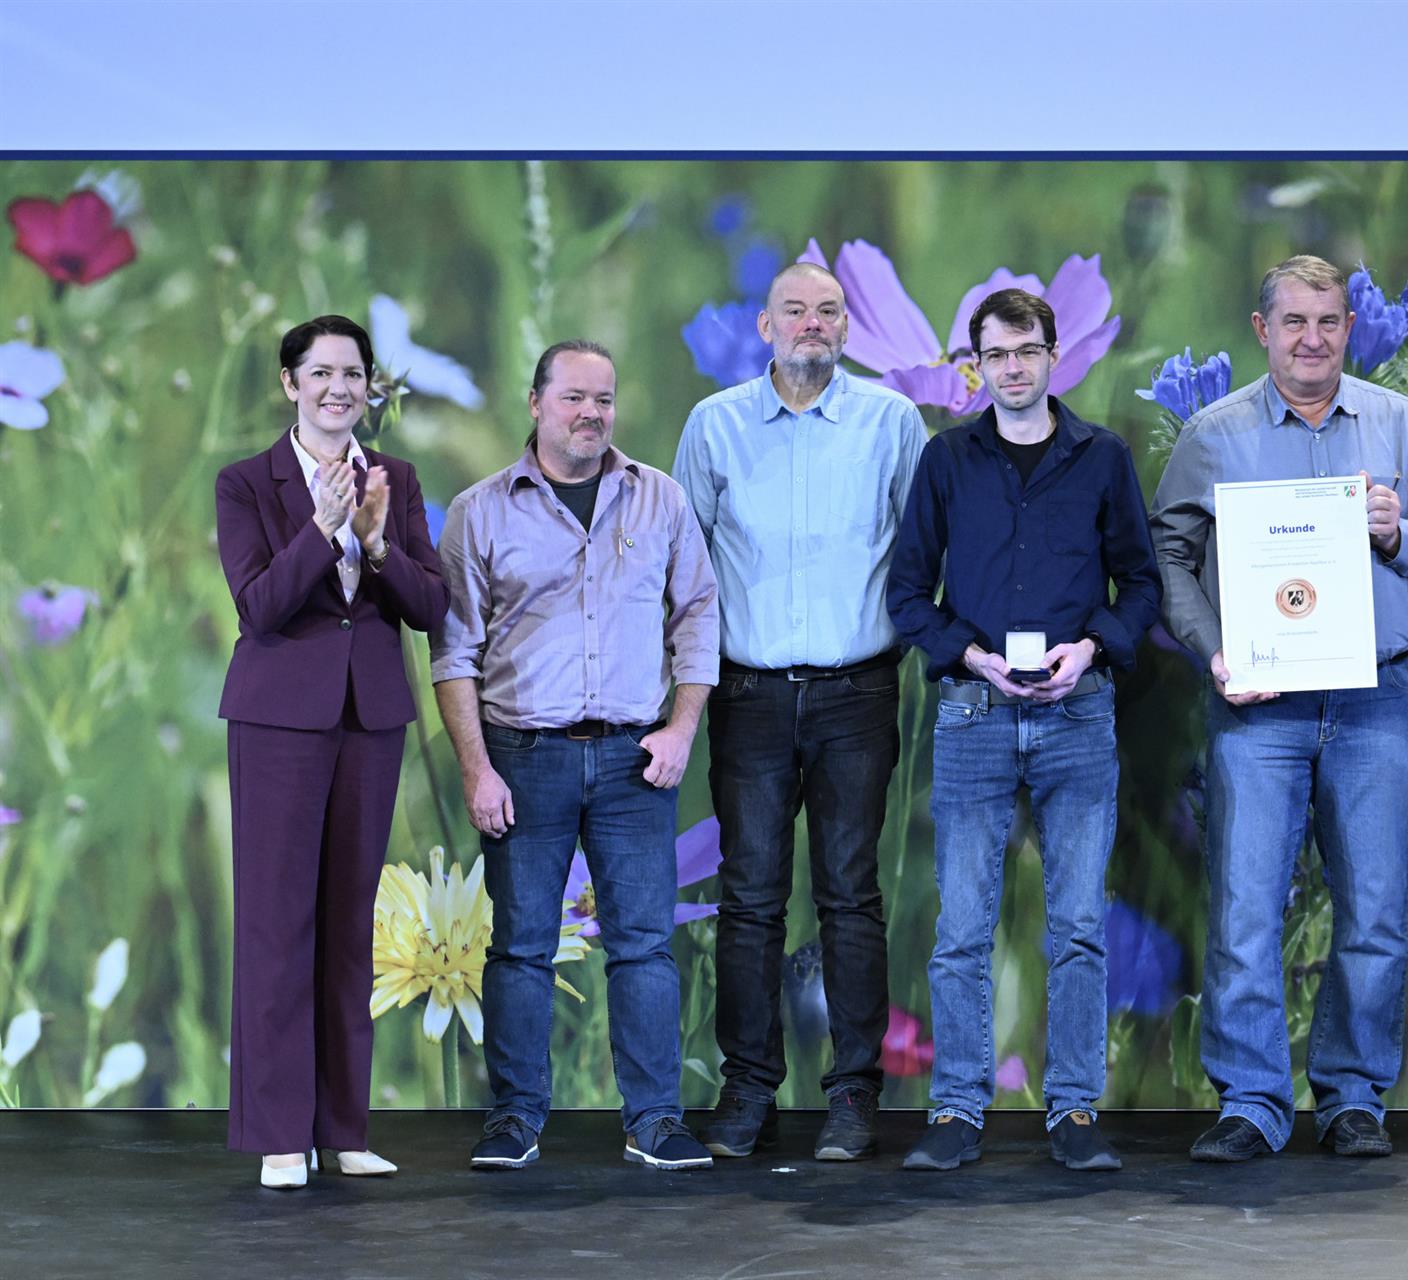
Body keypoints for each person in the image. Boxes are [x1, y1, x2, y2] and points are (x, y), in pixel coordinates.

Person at [1150, 254, 1408, 1162]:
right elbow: (1167, 556)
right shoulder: (1213, 434)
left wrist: (1400, 534)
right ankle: (1252, 1103)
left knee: (1373, 910)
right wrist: (1212, 649)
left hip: (1374, 701)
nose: (1312, 338)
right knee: (1246, 908)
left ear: (1348, 327)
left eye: (1328, 321)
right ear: (1263, 331)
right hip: (1258, 705)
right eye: (1293, 321)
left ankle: (1352, 1098)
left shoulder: (1399, 422)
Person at [886, 289, 1161, 1172]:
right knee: (963, 927)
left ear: (1053, 356)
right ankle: (958, 1110)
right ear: (977, 366)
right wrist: (970, 657)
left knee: (1078, 923)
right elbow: (907, 595)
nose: (1012, 368)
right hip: (974, 712)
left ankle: (1074, 1110)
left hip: (1077, 713)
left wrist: (1093, 648)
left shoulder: (1102, 457)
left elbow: (1141, 585)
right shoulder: (947, 461)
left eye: (1027, 351)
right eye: (996, 355)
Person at [432, 340, 720, 1172]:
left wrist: (681, 728)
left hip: (635, 762)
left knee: (644, 946)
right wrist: (477, 769)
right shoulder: (480, 512)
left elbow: (698, 614)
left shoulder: (659, 498)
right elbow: (453, 653)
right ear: (535, 404)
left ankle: (655, 1121)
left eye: (604, 399)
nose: (591, 413)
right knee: (521, 946)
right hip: (524, 759)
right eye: (573, 398)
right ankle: (514, 1120)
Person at [672, 261, 926, 1162]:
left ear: (847, 329)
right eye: (794, 310)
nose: (811, 323)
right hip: (748, 695)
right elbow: (684, 565)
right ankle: (748, 1092)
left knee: (851, 896)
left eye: (827, 310)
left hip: (857, 692)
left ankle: (854, 1096)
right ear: (766, 326)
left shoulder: (894, 422)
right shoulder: (714, 425)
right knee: (748, 900)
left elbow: (920, 553)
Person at [215, 314, 449, 1189]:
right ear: (290, 384)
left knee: (352, 925)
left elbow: (431, 607)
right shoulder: (247, 483)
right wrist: (320, 529)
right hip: (278, 721)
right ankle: (281, 1136)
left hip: (368, 717)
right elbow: (257, 608)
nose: (338, 389)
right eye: (320, 373)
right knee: (278, 925)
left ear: (370, 387)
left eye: (353, 374)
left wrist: (379, 542)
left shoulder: (398, 479)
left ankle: (343, 1129)